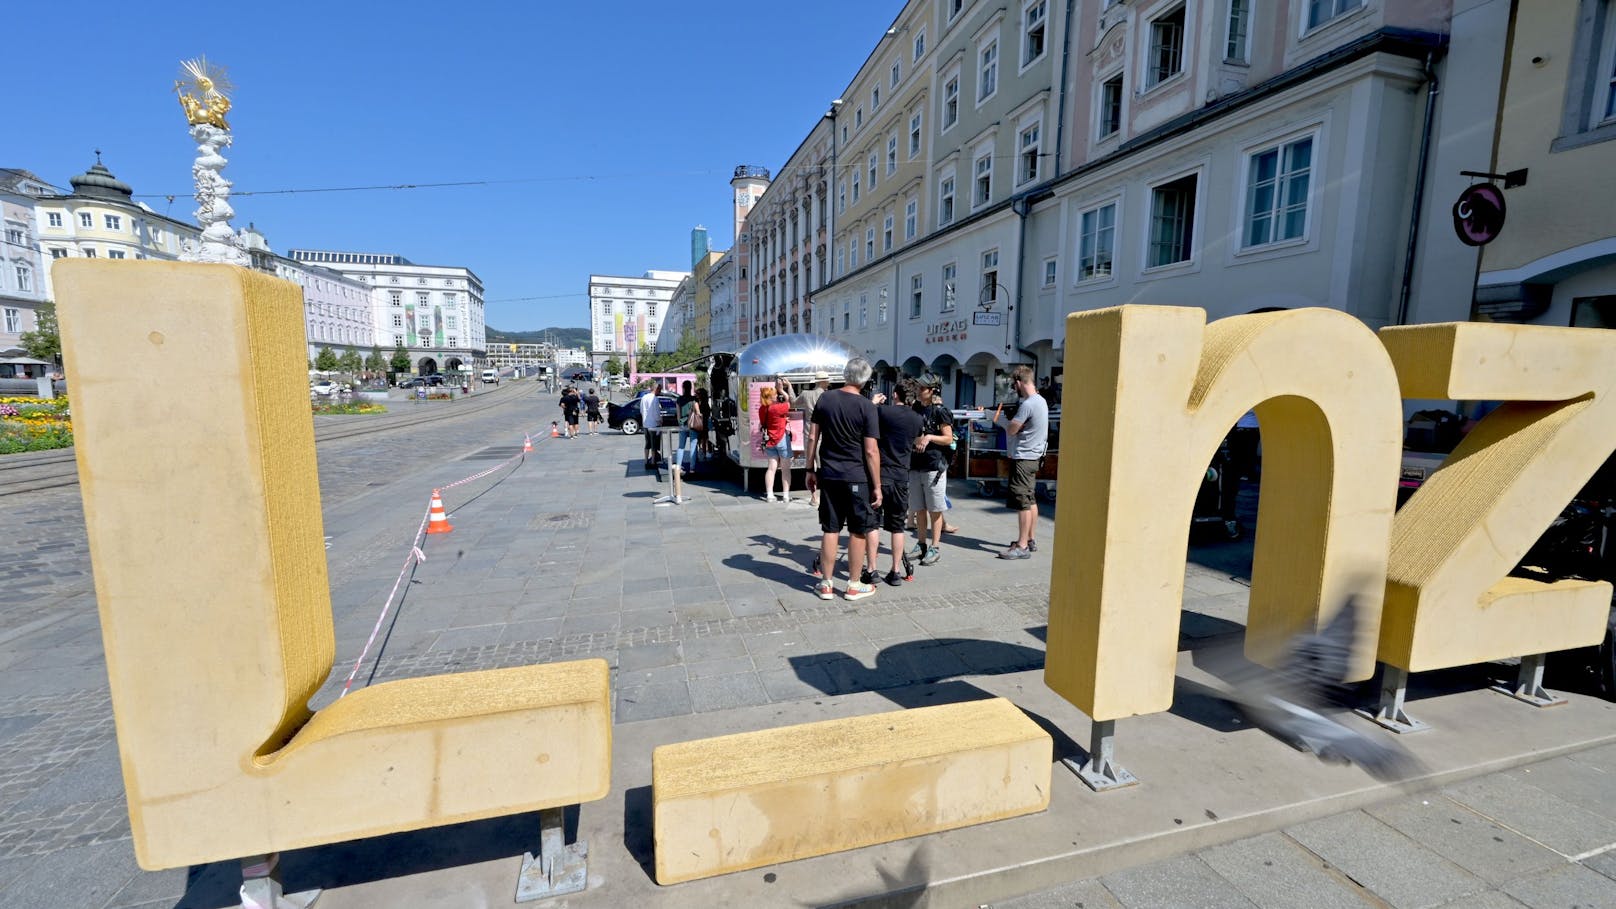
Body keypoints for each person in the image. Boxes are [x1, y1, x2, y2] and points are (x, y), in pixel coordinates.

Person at [806, 358, 882, 601]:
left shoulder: (825, 398)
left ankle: (826, 584)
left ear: (845, 375)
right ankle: (853, 584)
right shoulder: (867, 407)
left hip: (829, 473)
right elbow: (871, 451)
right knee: (858, 531)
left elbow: (812, 438)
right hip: (856, 476)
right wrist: (877, 486)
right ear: (865, 379)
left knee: (831, 528)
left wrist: (809, 469)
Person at [864, 379, 923, 586]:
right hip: (901, 477)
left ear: (895, 394)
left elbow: (864, 419)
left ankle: (871, 570)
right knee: (897, 527)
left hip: (879, 475)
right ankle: (895, 571)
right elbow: (915, 441)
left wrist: (873, 404)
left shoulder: (883, 412)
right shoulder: (917, 419)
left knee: (872, 523)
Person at [997, 365, 1048, 559]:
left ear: (1019, 382)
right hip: (1034, 456)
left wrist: (1005, 422)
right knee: (1030, 498)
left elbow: (1011, 429)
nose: (1013, 388)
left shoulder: (1028, 404)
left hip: (1024, 458)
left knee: (1022, 503)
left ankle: (1022, 545)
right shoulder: (1040, 401)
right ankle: (1031, 539)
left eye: (1013, 384)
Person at [908, 375, 954, 566]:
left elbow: (948, 438)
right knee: (919, 509)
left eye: (923, 388)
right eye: (918, 387)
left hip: (934, 466)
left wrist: (929, 437)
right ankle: (921, 544)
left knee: (935, 510)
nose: (919, 390)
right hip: (915, 464)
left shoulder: (940, 412)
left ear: (933, 390)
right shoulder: (915, 408)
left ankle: (934, 547)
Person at [794, 371, 832, 507]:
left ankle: (814, 497)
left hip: (808, 433)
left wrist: (788, 389)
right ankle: (825, 496)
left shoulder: (805, 394)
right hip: (824, 435)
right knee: (824, 467)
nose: (829, 383)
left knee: (811, 468)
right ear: (824, 382)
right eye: (827, 381)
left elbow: (792, 403)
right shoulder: (828, 396)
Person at [759, 381, 793, 503]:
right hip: (782, 439)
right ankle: (786, 496)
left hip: (770, 441)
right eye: (774, 393)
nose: (775, 395)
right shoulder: (778, 407)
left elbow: (764, 423)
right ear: (770, 396)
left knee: (771, 469)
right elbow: (789, 401)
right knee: (785, 469)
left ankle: (769, 495)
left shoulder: (762, 409)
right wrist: (782, 390)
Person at [675, 380, 700, 478]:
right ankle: (692, 469)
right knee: (693, 447)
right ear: (691, 388)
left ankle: (678, 468)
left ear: (683, 387)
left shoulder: (679, 399)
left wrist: (680, 422)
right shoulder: (694, 399)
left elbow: (678, 415)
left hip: (682, 425)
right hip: (692, 425)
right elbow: (697, 412)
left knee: (681, 447)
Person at [641, 383, 663, 468]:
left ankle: (646, 460)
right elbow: (656, 413)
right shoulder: (655, 399)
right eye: (659, 390)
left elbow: (641, 410)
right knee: (654, 444)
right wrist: (660, 421)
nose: (660, 392)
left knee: (647, 443)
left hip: (645, 423)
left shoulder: (644, 397)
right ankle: (653, 461)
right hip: (653, 424)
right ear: (656, 389)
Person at [695, 387, 713, 460]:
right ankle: (704, 453)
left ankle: (701, 452)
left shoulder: (697, 403)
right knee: (705, 438)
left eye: (697, 394)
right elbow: (708, 413)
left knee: (700, 439)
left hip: (698, 423)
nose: (696, 395)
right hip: (704, 423)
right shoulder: (705, 403)